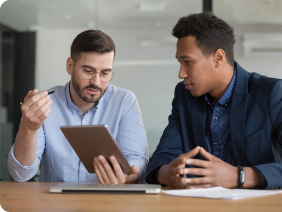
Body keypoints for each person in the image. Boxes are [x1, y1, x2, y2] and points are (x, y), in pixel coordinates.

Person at [146, 12, 282, 189]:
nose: (181, 73)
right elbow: (162, 157)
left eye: (188, 62)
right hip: (199, 203)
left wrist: (238, 176)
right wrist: (167, 173)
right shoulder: (184, 96)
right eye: (180, 62)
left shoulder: (271, 93)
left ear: (219, 58)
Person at [8, 30, 148, 184]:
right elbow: (20, 175)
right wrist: (29, 128)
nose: (96, 82)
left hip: (108, 203)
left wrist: (128, 177)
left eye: (105, 73)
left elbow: (137, 160)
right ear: (70, 66)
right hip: (56, 205)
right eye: (88, 71)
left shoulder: (124, 101)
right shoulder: (44, 103)